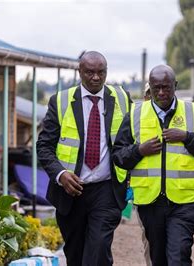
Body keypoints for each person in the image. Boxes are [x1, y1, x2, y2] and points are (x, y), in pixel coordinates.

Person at [112, 65, 194, 265]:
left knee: (178, 256)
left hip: (184, 203)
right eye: (156, 88)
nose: (161, 93)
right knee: (158, 259)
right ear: (150, 88)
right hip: (149, 203)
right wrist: (139, 150)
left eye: (166, 87)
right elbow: (118, 156)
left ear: (175, 85)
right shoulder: (135, 114)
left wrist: (187, 137)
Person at [36, 51, 131, 265]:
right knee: (76, 255)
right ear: (80, 72)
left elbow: (133, 137)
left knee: (98, 252)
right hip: (71, 193)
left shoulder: (122, 98)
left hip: (106, 190)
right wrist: (61, 175)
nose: (96, 77)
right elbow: (44, 146)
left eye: (101, 72)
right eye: (90, 72)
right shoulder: (60, 101)